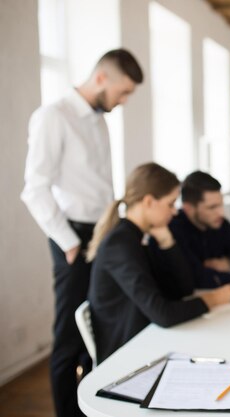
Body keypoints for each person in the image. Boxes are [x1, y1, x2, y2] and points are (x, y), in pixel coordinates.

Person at [20, 48, 143, 417]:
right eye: (122, 92)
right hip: (73, 239)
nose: (122, 102)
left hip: (102, 234)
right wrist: (71, 245)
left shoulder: (99, 119)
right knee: (69, 338)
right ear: (102, 78)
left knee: (100, 326)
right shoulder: (52, 117)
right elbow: (34, 189)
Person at [86, 163, 230, 363]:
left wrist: (168, 242)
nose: (174, 212)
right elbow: (162, 314)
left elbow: (183, 289)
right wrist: (214, 299)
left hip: (149, 340)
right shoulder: (120, 244)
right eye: (170, 204)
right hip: (126, 356)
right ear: (149, 202)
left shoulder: (143, 235)